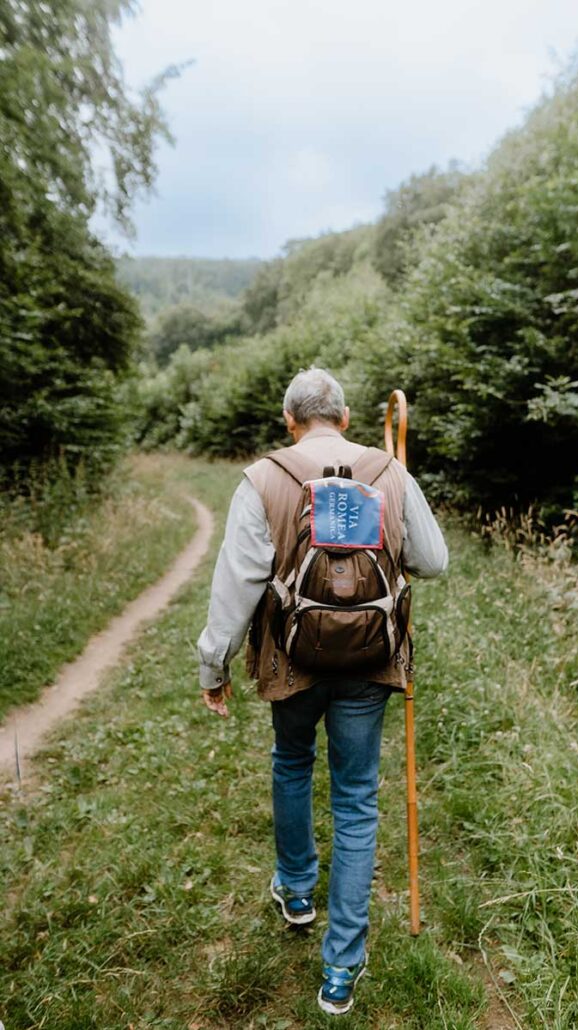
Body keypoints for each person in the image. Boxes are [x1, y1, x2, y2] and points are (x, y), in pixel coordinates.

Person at [197, 368, 447, 1016]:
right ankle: (341, 966)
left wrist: (213, 667)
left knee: (291, 763)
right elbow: (433, 560)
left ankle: (298, 892)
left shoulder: (264, 478)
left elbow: (236, 587)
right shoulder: (388, 470)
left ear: (289, 419)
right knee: (357, 799)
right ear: (342, 416)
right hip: (371, 659)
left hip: (291, 658)